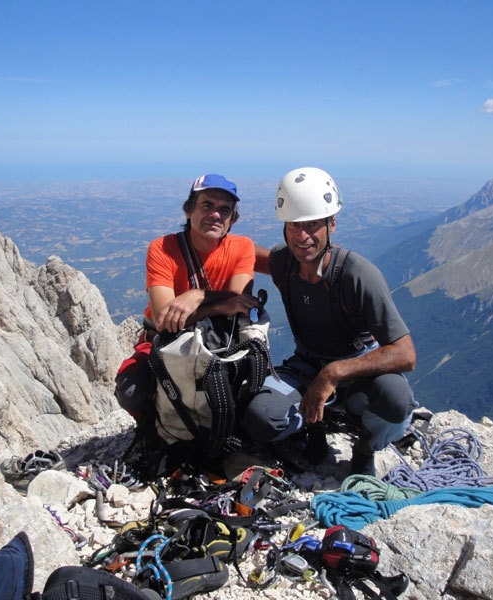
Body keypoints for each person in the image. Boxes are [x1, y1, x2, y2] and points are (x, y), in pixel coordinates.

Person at [242, 167, 418, 475]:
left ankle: (365, 449)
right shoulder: (285, 263)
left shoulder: (356, 274)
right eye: (294, 225)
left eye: (313, 225)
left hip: (356, 370)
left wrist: (334, 373)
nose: (303, 236)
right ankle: (313, 426)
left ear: (331, 224)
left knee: (397, 401)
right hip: (305, 366)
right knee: (259, 415)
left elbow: (405, 353)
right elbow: (247, 254)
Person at [115, 173, 262, 422]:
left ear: (231, 220)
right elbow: (163, 320)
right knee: (131, 392)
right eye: (207, 205)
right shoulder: (163, 249)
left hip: (218, 341)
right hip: (163, 342)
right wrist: (219, 306)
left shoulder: (242, 247)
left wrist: (198, 296)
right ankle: (153, 430)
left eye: (225, 210)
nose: (216, 214)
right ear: (189, 211)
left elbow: (240, 302)